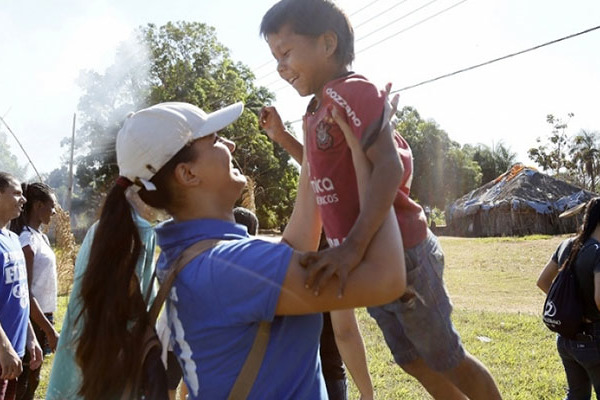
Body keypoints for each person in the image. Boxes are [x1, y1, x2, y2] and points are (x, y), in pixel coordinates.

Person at [68, 100, 405, 399]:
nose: (229, 142)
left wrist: (317, 147)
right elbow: (386, 278)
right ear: (188, 173)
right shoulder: (224, 268)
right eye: (214, 139)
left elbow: (294, 249)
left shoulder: (197, 255)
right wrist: (377, 152)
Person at [258, 1, 502, 399]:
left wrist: (351, 247)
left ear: (327, 43)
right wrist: (284, 138)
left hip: (400, 252)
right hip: (364, 260)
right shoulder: (316, 108)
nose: (281, 67)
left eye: (285, 53)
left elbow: (387, 166)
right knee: (410, 360)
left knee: (447, 357)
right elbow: (319, 175)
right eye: (275, 58)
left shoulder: (352, 90)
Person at [46, 188, 159, 399]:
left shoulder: (99, 228)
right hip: (120, 348)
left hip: (85, 341)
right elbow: (146, 295)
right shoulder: (142, 231)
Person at [537, 197, 600, 399]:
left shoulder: (566, 245)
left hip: (565, 338)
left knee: (577, 394)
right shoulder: (598, 252)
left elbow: (543, 281)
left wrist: (572, 310)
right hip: (594, 339)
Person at [9, 182, 58, 400]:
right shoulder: (25, 241)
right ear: (38, 206)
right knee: (23, 382)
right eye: (52, 206)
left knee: (34, 379)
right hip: (33, 320)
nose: (55, 212)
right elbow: (25, 292)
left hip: (44, 316)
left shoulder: (42, 238)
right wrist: (47, 330)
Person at [0, 173, 42, 400]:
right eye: (16, 193)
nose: (23, 199)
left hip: (12, 356)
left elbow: (19, 295)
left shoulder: (13, 239)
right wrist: (4, 348)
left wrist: (30, 337)